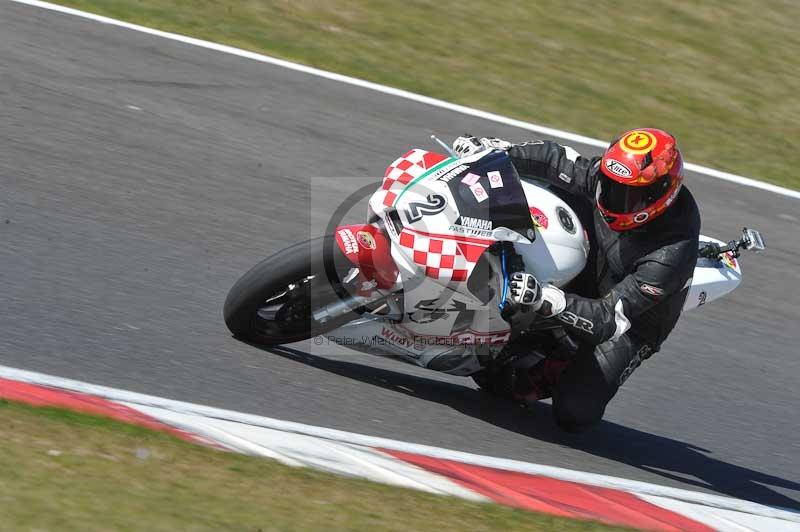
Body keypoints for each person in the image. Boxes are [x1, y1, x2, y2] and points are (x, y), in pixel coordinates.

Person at [453, 129, 700, 431]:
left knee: (575, 413)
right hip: (593, 263)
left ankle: (557, 361)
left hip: (630, 322)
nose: (615, 198)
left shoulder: (671, 254)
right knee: (549, 187)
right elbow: (554, 160)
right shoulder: (606, 181)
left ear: (662, 193)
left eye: (631, 195)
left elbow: (609, 318)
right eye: (611, 185)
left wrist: (546, 299)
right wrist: (494, 153)